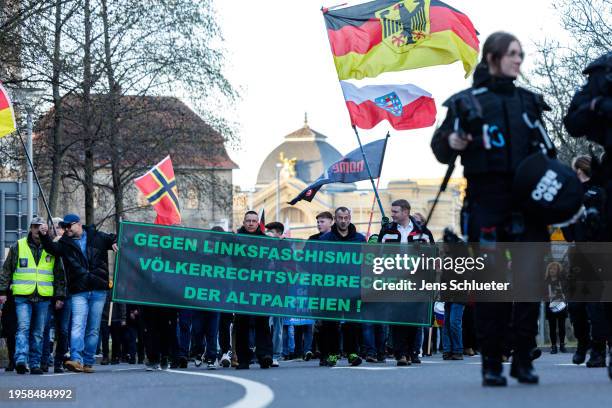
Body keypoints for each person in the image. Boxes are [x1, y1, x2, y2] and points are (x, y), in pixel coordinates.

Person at [431, 32, 551, 386]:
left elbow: (549, 152)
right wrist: (451, 141)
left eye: (521, 54)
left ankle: (523, 358)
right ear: (493, 57)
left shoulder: (530, 103)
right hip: (486, 204)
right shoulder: (466, 103)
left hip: (528, 205)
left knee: (529, 284)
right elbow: (440, 147)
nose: (519, 59)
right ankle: (491, 362)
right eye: (513, 54)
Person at [564, 51, 612, 380]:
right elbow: (573, 121)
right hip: (585, 246)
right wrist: (596, 105)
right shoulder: (599, 77)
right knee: (587, 299)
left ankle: (597, 345)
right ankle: (593, 344)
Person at [39, 214, 117, 374]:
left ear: (78, 224)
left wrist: (115, 242)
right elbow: (51, 249)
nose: (66, 229)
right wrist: (44, 235)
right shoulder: (64, 243)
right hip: (78, 290)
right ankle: (76, 359)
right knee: (77, 325)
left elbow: (115, 237)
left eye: (69, 226)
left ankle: (88, 362)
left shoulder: (98, 236)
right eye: (64, 226)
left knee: (93, 328)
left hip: (98, 289)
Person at [0, 217, 66, 374]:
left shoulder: (50, 247)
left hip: (43, 297)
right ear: (30, 228)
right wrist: (2, 292)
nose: (38, 230)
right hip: (23, 296)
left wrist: (59, 296)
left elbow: (59, 274)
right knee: (23, 327)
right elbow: (6, 270)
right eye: (35, 227)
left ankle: (35, 363)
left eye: (41, 227)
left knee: (38, 332)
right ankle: (21, 360)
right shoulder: (18, 246)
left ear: (45, 229)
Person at [378, 199, 434, 366]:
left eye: (395, 211)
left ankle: (412, 352)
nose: (392, 214)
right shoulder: (387, 231)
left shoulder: (422, 232)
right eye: (392, 211)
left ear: (405, 212)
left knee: (414, 318)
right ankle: (401, 353)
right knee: (397, 317)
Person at [319, 207, 364, 367]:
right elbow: (318, 263)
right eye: (340, 218)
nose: (343, 221)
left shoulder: (359, 239)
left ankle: (352, 353)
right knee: (331, 323)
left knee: (353, 322)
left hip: (353, 288)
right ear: (335, 219)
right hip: (332, 288)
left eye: (346, 218)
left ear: (350, 218)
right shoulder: (325, 239)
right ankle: (332, 353)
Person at [234, 211, 273, 369]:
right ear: (243, 222)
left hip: (260, 288)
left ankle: (265, 355)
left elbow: (275, 261)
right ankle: (243, 358)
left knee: (262, 322)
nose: (250, 223)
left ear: (258, 223)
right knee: (242, 323)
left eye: (253, 221)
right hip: (241, 288)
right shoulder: (235, 240)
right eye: (248, 221)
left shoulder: (266, 241)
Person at [544, 262, 568, 354]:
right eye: (550, 269)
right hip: (550, 305)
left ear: (558, 270)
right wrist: (547, 296)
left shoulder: (562, 281)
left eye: (554, 269)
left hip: (561, 305)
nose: (552, 271)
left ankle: (562, 345)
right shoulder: (546, 282)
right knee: (552, 326)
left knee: (562, 326)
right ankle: (553, 346)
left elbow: (567, 291)